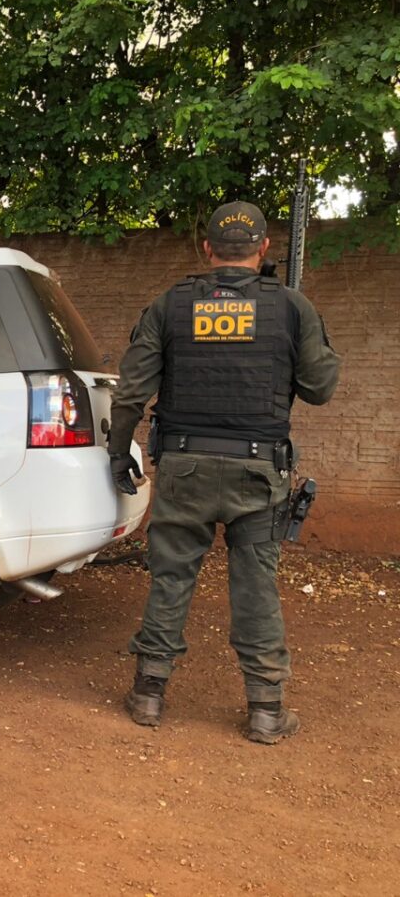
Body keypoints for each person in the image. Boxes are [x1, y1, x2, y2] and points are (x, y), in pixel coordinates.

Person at [108, 201, 340, 744]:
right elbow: (321, 388)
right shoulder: (291, 307)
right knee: (256, 586)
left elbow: (133, 391)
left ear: (208, 249)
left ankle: (148, 694)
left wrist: (121, 453)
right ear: (262, 249)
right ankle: (265, 709)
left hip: (185, 467)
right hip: (258, 470)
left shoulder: (170, 306)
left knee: (170, 579)